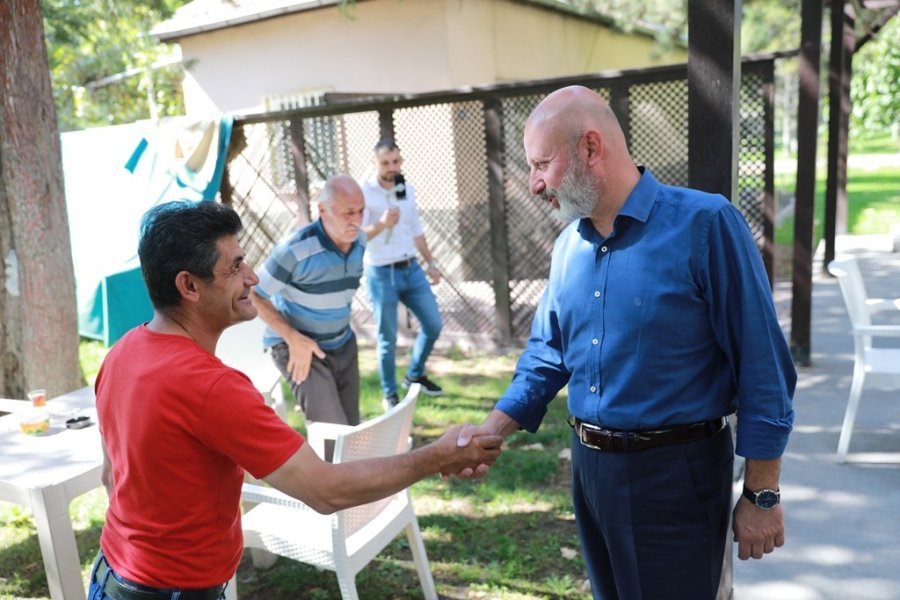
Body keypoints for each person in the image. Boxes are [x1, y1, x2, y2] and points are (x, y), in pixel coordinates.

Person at [453, 86, 797, 600]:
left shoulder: (706, 224)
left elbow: (763, 365)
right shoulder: (568, 245)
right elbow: (548, 353)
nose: (534, 183)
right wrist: (493, 429)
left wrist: (762, 492)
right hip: (589, 471)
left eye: (542, 163)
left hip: (674, 476)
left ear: (591, 147)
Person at [89, 199, 502, 600]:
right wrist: (439, 456)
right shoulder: (212, 387)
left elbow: (114, 477)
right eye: (235, 267)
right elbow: (325, 491)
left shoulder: (122, 353)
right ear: (189, 285)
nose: (253, 278)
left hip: (111, 574)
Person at [250, 175, 365, 460]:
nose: (358, 220)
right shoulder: (294, 249)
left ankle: (354, 500)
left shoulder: (359, 241)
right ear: (323, 210)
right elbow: (253, 293)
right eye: (349, 212)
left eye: (362, 211)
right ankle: (329, 499)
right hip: (300, 348)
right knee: (332, 438)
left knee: (352, 434)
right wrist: (292, 338)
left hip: (343, 344)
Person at [361, 138, 444, 410]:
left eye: (395, 161)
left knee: (433, 325)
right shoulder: (365, 192)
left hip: (411, 268)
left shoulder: (405, 188)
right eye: (385, 162)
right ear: (375, 163)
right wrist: (382, 224)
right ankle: (389, 394)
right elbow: (359, 235)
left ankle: (414, 374)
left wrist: (431, 263)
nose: (391, 167)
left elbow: (416, 229)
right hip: (381, 272)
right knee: (388, 339)